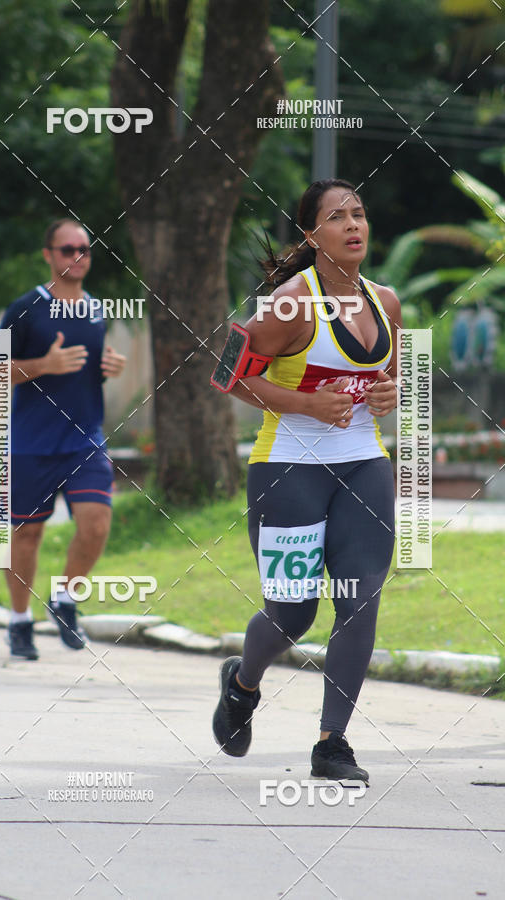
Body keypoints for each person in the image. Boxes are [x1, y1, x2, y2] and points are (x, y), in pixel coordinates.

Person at [211, 179, 400, 783]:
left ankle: (332, 745)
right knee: (292, 614)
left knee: (359, 601)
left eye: (360, 214)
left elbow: (385, 386)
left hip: (364, 465)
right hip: (288, 469)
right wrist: (301, 403)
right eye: (337, 216)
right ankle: (242, 683)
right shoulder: (291, 303)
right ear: (311, 234)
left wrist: (388, 395)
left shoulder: (386, 302)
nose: (354, 225)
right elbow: (229, 376)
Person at [0, 218, 126, 660]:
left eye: (85, 249)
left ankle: (64, 599)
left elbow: (88, 371)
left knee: (96, 526)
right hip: (30, 445)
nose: (78, 256)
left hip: (85, 440)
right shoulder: (24, 308)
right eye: (68, 249)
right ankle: (18, 623)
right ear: (48, 255)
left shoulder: (96, 309)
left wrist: (110, 368)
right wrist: (43, 365)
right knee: (26, 536)